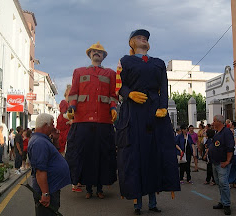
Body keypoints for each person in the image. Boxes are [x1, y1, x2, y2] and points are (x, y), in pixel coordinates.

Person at [116, 29, 180, 215]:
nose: (144, 38)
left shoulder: (158, 63)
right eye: (139, 37)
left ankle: (152, 202)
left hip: (154, 113)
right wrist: (129, 94)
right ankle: (137, 203)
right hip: (133, 112)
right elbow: (118, 85)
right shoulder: (124, 61)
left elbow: (163, 86)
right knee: (135, 156)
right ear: (131, 43)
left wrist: (163, 107)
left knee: (154, 155)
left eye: (146, 37)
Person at [66, 41, 118, 199]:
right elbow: (73, 93)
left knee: (103, 155)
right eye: (94, 51)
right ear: (89, 55)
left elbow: (112, 96)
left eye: (100, 52)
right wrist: (71, 108)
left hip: (103, 120)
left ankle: (100, 188)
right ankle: (88, 188)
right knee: (85, 155)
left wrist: (113, 108)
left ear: (103, 56)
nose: (97, 53)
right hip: (82, 119)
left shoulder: (110, 74)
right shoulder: (79, 72)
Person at [28, 113, 71, 216]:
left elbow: (53, 156)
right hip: (48, 189)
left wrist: (56, 139)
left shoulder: (43, 140)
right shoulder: (39, 143)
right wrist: (45, 193)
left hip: (52, 187)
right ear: (45, 125)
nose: (53, 127)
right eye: (52, 124)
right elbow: (40, 171)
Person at [209, 115, 234, 215]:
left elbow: (230, 147)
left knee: (223, 183)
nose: (212, 123)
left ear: (219, 121)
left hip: (222, 163)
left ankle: (227, 204)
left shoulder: (226, 132)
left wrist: (227, 161)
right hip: (215, 162)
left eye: (214, 121)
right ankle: (222, 201)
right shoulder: (217, 133)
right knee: (219, 183)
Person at [229, 122, 236, 189]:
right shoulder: (228, 139)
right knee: (230, 168)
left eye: (233, 131)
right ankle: (229, 182)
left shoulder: (235, 138)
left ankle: (235, 182)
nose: (233, 133)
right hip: (230, 154)